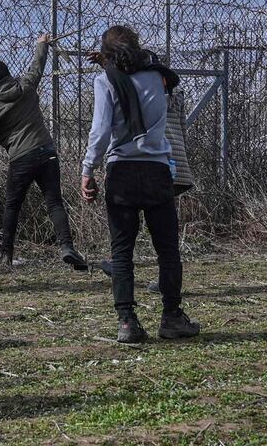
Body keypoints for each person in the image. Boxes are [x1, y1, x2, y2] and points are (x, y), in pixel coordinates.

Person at [80, 25, 200, 343]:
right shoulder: (158, 78)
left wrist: (87, 169)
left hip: (121, 171)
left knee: (122, 252)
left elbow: (101, 131)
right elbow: (142, 70)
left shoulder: (104, 80)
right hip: (157, 169)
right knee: (167, 250)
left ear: (106, 53)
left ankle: (127, 322)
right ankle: (172, 317)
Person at [0, 34, 87, 271]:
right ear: (8, 75)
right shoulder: (25, 86)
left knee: (13, 205)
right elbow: (36, 67)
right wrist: (41, 44)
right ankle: (67, 247)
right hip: (47, 150)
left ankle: (5, 256)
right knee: (54, 202)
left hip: (21, 157)